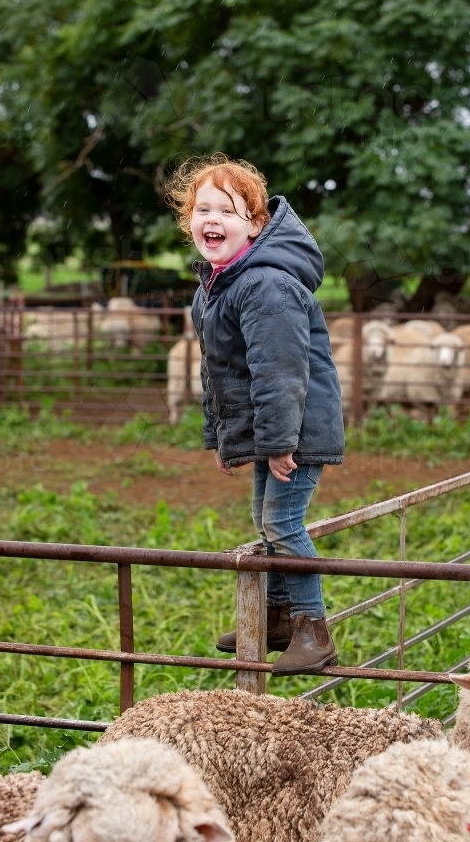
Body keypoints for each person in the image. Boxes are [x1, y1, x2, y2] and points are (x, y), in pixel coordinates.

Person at [166, 154, 344, 674]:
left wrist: (279, 442)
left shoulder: (265, 284)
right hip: (273, 431)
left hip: (296, 428)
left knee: (282, 521)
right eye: (203, 209)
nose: (212, 219)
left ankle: (314, 628)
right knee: (266, 523)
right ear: (189, 221)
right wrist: (224, 438)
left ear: (256, 224)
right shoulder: (217, 285)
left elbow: (280, 372)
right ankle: (276, 617)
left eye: (228, 209)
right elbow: (217, 372)